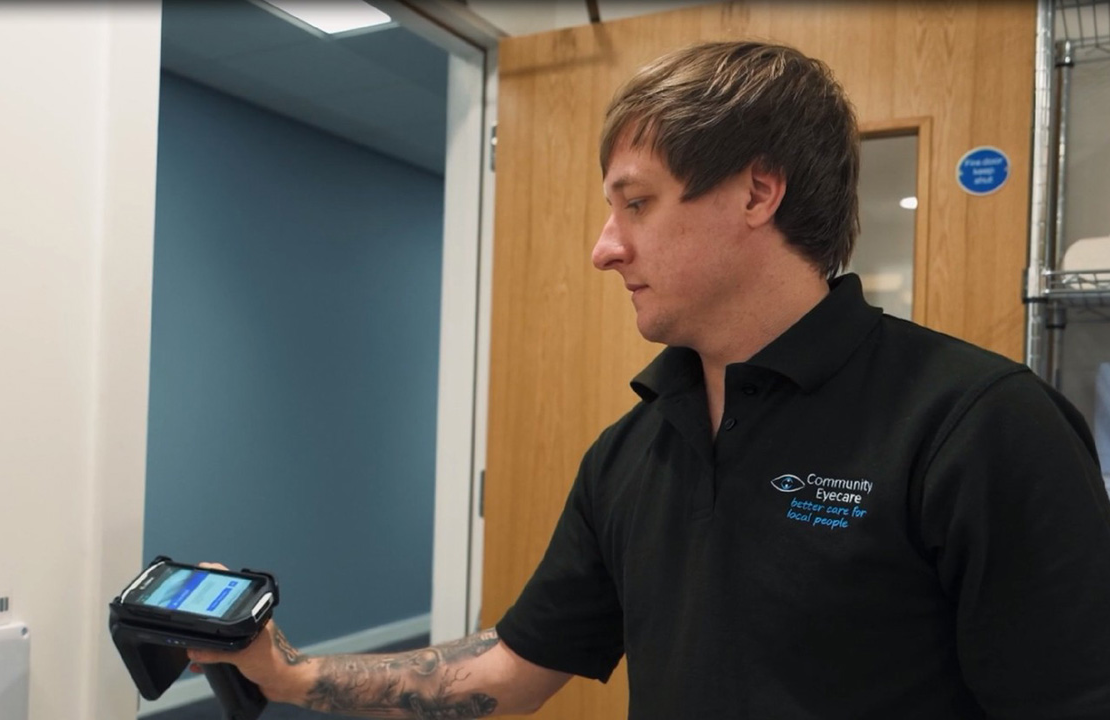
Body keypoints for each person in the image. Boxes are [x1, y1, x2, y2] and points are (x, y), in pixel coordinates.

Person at [186, 41, 1110, 718]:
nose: (603, 248)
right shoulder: (633, 450)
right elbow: (511, 669)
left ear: (758, 192)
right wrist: (287, 671)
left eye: (637, 203)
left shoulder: (978, 426)